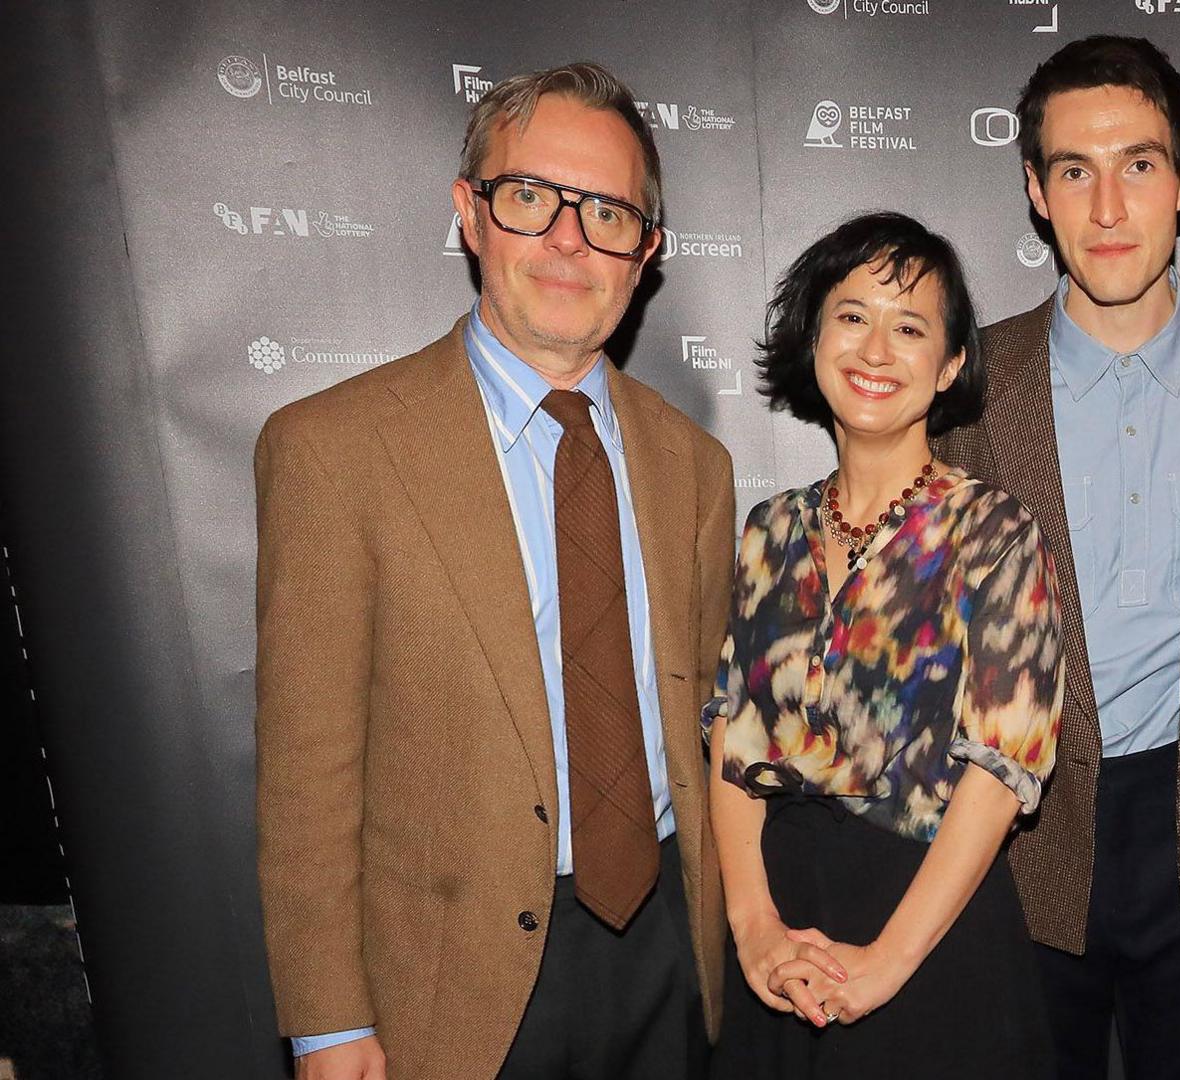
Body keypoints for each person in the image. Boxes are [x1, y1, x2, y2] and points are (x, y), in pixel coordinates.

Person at [254, 62, 733, 1080]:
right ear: (469, 214)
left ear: (645, 253)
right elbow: (307, 773)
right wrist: (330, 1025)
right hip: (449, 990)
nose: (569, 237)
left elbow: (708, 732)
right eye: (531, 198)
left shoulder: (696, 466)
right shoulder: (333, 451)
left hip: (668, 960)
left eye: (607, 211)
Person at [934, 35, 1180, 1079]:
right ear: (1036, 191)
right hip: (1019, 841)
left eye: (1138, 164)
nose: (1110, 208)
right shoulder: (962, 394)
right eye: (1075, 172)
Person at [704, 211, 1063, 1079]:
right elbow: (732, 737)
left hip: (934, 925)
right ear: (814, 337)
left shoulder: (994, 531)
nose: (875, 349)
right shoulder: (770, 529)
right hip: (782, 921)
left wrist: (888, 961)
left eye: (910, 328)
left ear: (948, 366)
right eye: (853, 315)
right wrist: (754, 933)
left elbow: (1000, 770)